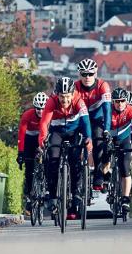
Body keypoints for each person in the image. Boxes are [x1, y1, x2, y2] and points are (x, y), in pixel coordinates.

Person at [39, 77, 92, 219]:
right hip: (57, 132)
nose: (65, 100)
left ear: (72, 94)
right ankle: (53, 196)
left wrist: (88, 138)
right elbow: (44, 123)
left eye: (67, 96)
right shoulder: (51, 102)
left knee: (75, 162)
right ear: (57, 94)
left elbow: (86, 122)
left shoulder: (79, 101)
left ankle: (75, 194)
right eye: (62, 96)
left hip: (74, 132)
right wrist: (42, 139)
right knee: (53, 160)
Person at [74, 58, 111, 190]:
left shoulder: (103, 86)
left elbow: (107, 110)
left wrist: (106, 130)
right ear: (80, 75)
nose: (87, 77)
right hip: (80, 120)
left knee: (98, 140)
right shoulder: (75, 87)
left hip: (97, 119)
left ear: (95, 73)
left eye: (90, 74)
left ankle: (98, 175)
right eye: (84, 74)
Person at [107, 87, 132, 213]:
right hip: (111, 139)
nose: (119, 104)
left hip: (124, 140)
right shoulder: (109, 111)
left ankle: (125, 198)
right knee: (103, 158)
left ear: (126, 101)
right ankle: (106, 178)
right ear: (113, 102)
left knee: (125, 168)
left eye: (122, 101)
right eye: (117, 101)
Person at [17, 92, 49, 214]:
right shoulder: (27, 115)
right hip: (30, 138)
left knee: (48, 161)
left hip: (44, 137)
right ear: (34, 107)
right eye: (38, 108)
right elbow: (21, 135)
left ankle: (47, 188)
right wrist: (20, 153)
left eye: (43, 108)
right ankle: (29, 197)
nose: (41, 111)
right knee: (29, 169)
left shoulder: (50, 115)